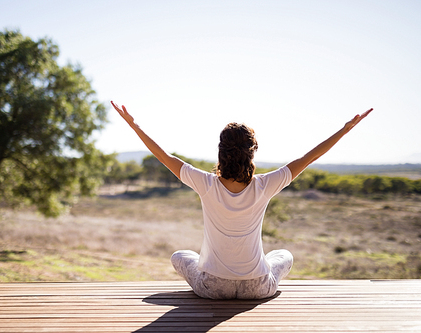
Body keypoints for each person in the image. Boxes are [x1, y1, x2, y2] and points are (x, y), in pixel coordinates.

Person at [111, 101, 372, 299]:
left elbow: (163, 156)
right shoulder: (265, 185)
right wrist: (345, 130)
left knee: (180, 255)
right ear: (253, 152)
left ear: (220, 152)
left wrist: (135, 126)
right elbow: (309, 158)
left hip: (212, 287)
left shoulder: (205, 183)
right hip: (257, 287)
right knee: (284, 255)